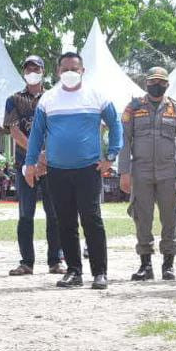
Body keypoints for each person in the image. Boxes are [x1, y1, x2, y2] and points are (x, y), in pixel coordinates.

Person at [22, 51, 121, 290]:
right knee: (64, 222)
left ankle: (100, 273)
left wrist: (111, 156)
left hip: (89, 169)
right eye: (64, 68)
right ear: (57, 72)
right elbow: (36, 134)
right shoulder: (48, 99)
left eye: (74, 69)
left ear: (82, 71)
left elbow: (116, 124)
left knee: (92, 220)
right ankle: (74, 272)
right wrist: (30, 163)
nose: (69, 73)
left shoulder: (97, 96)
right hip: (56, 170)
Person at [118, 66, 176, 281]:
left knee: (170, 217)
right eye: (152, 82)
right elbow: (125, 141)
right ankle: (145, 265)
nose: (156, 85)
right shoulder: (133, 107)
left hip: (169, 172)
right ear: (145, 83)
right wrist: (124, 172)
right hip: (141, 171)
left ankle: (168, 264)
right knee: (142, 218)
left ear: (167, 84)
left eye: (160, 82)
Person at [4, 55, 62, 276]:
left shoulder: (54, 97)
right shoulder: (14, 99)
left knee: (54, 214)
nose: (32, 72)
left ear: (43, 71)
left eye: (36, 68)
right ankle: (26, 262)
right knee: (25, 213)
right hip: (25, 163)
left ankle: (56, 260)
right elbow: (14, 130)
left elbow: (59, 128)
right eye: (28, 68)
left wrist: (46, 156)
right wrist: (36, 155)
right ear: (23, 72)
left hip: (53, 163)